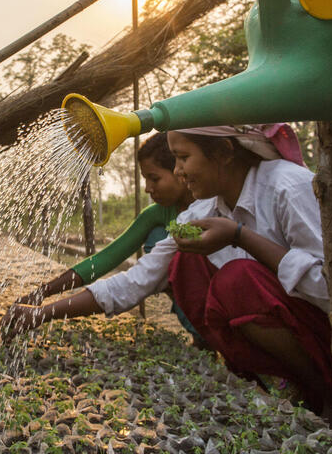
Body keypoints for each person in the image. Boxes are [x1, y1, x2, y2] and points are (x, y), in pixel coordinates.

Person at [3, 125, 332, 438]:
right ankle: (302, 383)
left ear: (225, 152)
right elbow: (138, 279)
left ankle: (327, 394)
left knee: (238, 278)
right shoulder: (206, 209)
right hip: (330, 335)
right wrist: (41, 313)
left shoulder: (287, 187)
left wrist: (242, 237)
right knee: (184, 265)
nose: (179, 171)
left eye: (184, 158)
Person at [12, 132, 203, 343]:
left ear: (180, 170)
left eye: (154, 178)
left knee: (169, 250)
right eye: (146, 179)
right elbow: (107, 259)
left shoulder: (211, 207)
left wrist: (45, 312)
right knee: (160, 242)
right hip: (192, 297)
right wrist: (43, 292)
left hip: (220, 295)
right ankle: (200, 334)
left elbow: (134, 283)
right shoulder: (158, 214)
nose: (148, 188)